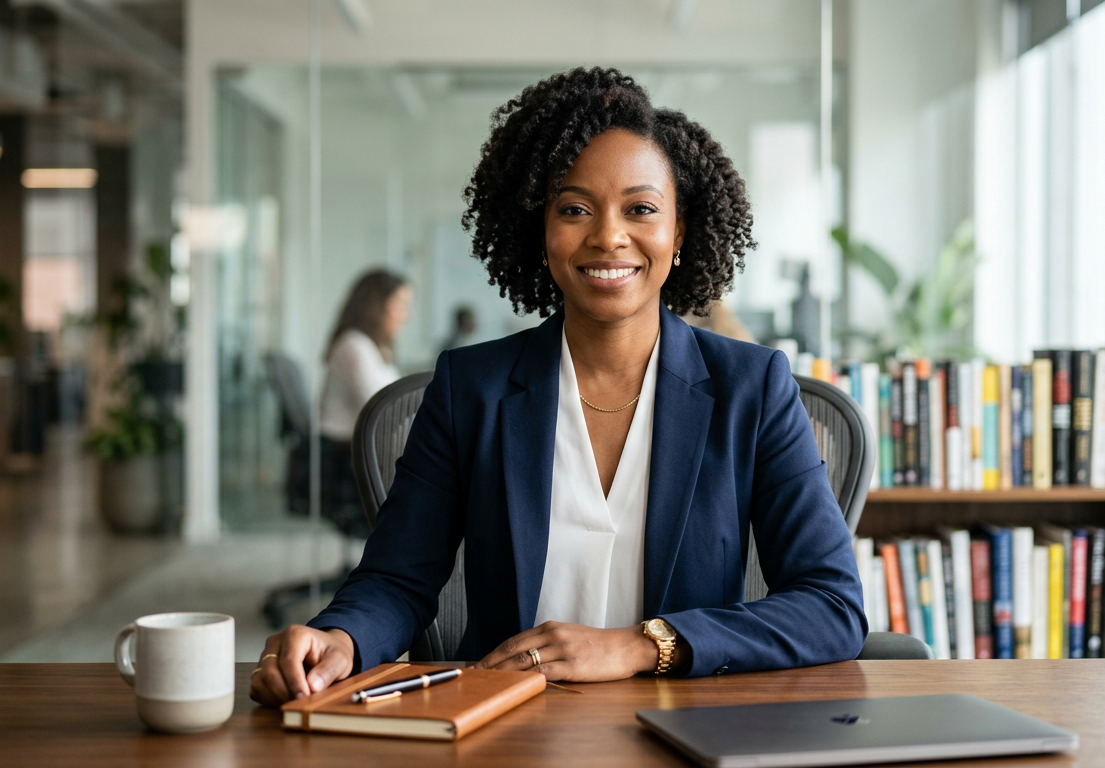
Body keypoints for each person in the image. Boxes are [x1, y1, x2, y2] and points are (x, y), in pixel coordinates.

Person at [252, 68, 865, 706]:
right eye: (574, 209)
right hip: (510, 725)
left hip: (688, 724)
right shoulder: (471, 389)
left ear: (678, 233)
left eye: (641, 209)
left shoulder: (753, 389)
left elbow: (832, 604)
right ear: (540, 232)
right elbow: (395, 580)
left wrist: (637, 644)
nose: (607, 235)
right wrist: (339, 639)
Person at [319, 270, 413, 443]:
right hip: (341, 451)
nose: (405, 317)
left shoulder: (376, 347)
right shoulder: (354, 345)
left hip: (361, 444)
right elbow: (382, 409)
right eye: (400, 305)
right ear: (376, 307)